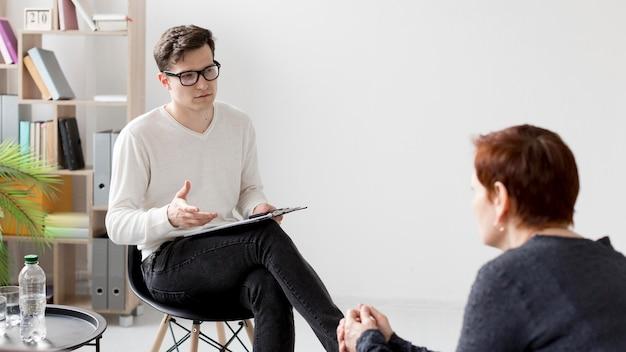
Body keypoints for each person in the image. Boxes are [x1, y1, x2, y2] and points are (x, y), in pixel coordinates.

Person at [105, 24, 343, 352]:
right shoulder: (139, 136)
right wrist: (169, 218)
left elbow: (249, 189)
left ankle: (343, 341)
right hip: (167, 263)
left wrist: (257, 208)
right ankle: (345, 340)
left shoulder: (238, 123)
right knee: (266, 237)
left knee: (268, 284)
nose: (203, 83)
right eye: (189, 76)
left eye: (209, 70)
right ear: (165, 81)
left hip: (228, 254)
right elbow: (116, 224)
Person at [337, 124, 626, 351]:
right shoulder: (616, 265)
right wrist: (390, 342)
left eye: (475, 190)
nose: (473, 203)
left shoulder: (508, 278)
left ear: (500, 198)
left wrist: (366, 343)